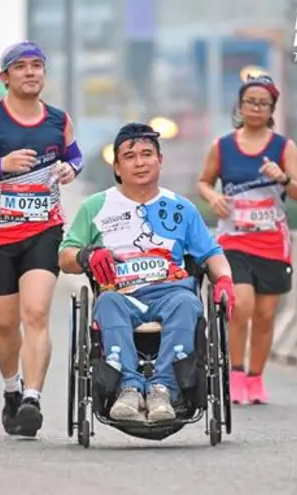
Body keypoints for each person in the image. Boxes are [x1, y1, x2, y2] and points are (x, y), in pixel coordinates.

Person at [58, 122, 236, 423]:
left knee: (188, 304)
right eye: (129, 156)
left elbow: (211, 253)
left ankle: (163, 389)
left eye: (147, 154)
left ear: (160, 160)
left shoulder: (181, 208)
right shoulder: (96, 206)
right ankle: (128, 387)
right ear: (117, 166)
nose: (139, 162)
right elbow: (65, 258)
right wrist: (87, 255)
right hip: (120, 294)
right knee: (107, 304)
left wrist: (226, 280)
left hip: (172, 293)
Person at [0, 41, 84, 437]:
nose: (30, 72)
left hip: (44, 229)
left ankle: (32, 399)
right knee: (7, 323)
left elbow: (75, 156)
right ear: (5, 77)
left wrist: (70, 170)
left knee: (37, 313)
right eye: (21, 66)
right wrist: (0, 164)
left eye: (36, 65)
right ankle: (12, 389)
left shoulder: (58, 120)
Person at [197, 74, 297, 405]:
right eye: (250, 102)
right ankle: (235, 373)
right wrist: (213, 197)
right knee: (240, 304)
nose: (256, 108)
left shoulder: (284, 147)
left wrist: (283, 178)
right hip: (234, 240)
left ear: (272, 109)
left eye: (263, 104)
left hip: (272, 241)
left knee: (265, 314)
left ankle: (256, 378)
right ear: (240, 106)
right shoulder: (223, 146)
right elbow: (203, 182)